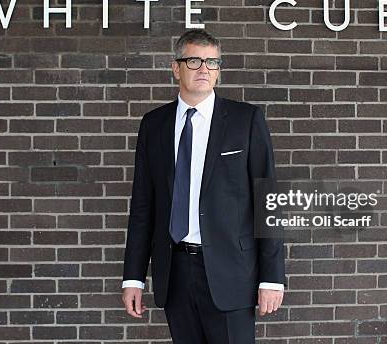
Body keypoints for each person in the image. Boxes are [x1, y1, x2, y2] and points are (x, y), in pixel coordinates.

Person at [121, 29, 285, 343]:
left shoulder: (245, 120)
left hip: (232, 273)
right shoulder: (154, 125)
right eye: (194, 60)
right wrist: (134, 277)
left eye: (212, 63)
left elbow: (269, 200)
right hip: (176, 272)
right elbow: (143, 207)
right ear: (175, 67)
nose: (204, 69)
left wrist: (272, 278)